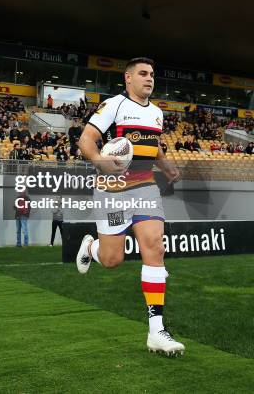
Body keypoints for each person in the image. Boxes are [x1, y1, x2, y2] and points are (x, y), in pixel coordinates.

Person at [76, 57, 185, 355]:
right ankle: (90, 248)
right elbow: (86, 139)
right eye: (143, 73)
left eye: (152, 74)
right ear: (128, 77)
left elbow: (155, 145)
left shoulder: (157, 113)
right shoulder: (114, 105)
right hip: (113, 190)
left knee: (154, 247)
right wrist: (100, 162)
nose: (149, 78)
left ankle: (156, 331)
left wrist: (167, 168)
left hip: (145, 187)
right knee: (112, 260)